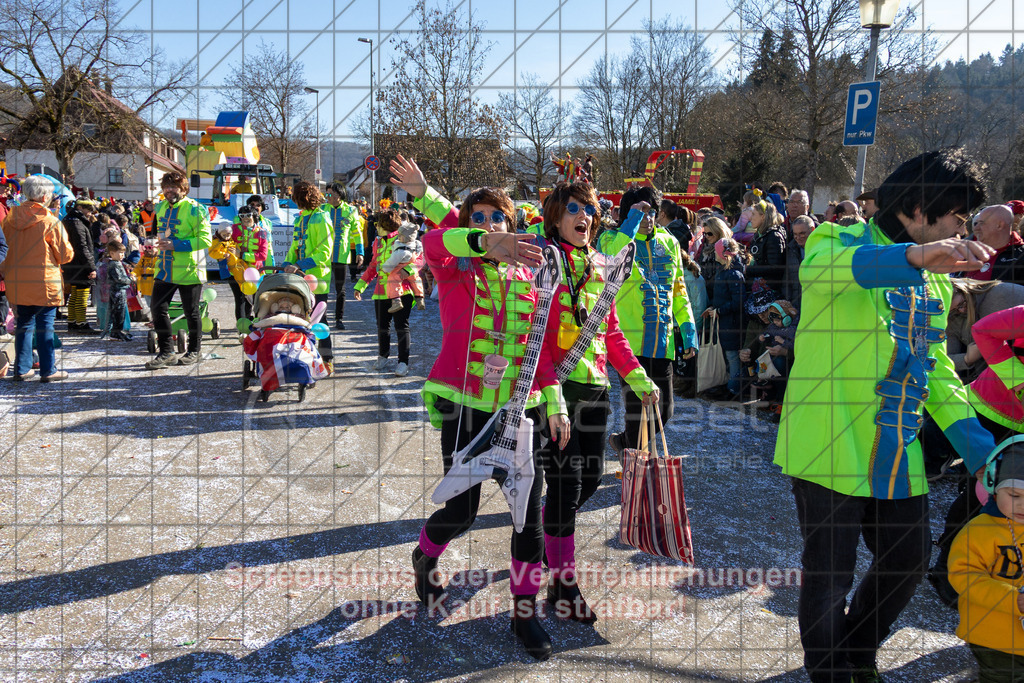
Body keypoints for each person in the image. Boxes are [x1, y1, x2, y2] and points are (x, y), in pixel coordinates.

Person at [774, 147, 998, 683]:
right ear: (920, 208)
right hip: (827, 441)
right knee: (831, 574)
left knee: (907, 560)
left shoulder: (938, 277)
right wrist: (917, 259)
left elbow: (936, 368)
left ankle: (856, 649)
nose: (962, 232)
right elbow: (829, 271)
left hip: (897, 446)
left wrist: (984, 452)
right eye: (958, 219)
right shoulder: (837, 239)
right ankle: (829, 672)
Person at [390, 153, 566, 661]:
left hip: (520, 410)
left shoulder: (530, 280)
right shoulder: (456, 269)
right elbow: (433, 240)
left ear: (516, 225)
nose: (491, 225)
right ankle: (425, 555)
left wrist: (553, 403)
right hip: (464, 408)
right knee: (463, 509)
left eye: (500, 218)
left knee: (527, 515)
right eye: (481, 218)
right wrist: (431, 198)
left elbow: (545, 350)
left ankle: (524, 612)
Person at [537, 182, 658, 623]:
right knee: (566, 488)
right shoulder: (543, 263)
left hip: (595, 390)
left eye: (588, 208)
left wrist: (639, 379)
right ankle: (563, 585)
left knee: (588, 481)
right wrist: (552, 398)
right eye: (572, 208)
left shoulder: (601, 266)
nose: (583, 215)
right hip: (556, 394)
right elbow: (535, 342)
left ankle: (550, 543)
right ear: (554, 217)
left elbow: (611, 332)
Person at [598, 186, 697, 452]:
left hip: (662, 342)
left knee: (665, 411)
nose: (648, 218)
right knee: (636, 411)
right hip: (628, 345)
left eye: (651, 212)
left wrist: (687, 330)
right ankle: (633, 465)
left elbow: (679, 289)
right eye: (641, 212)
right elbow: (611, 262)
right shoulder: (611, 239)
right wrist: (630, 223)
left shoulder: (669, 242)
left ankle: (624, 445)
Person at [948, 440, 1024, 681]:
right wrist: (1014, 600)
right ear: (993, 485)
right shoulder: (979, 531)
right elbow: (964, 578)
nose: (1023, 505)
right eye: (1014, 495)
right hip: (994, 636)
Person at [1, 175, 74, 381]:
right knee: (45, 326)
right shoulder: (50, 222)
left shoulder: (9, 219)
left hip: (17, 281)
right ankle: (48, 370)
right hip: (44, 281)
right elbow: (65, 255)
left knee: (23, 325)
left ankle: (22, 368)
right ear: (44, 197)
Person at [145, 171, 213, 370]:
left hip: (190, 269)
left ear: (183, 189)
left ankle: (195, 350)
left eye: (173, 187)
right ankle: (166, 352)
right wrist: (154, 244)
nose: (168, 191)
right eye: (166, 187)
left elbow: (205, 239)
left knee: (191, 312)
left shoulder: (196, 209)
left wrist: (176, 245)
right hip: (165, 268)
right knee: (158, 309)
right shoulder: (161, 207)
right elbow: (162, 233)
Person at [355, 208, 416, 377]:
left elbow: (418, 258)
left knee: (401, 327)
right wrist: (360, 286)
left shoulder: (403, 238)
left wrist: (408, 270)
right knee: (383, 327)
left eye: (378, 224)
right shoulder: (377, 242)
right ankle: (383, 356)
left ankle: (403, 362)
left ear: (385, 225)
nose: (376, 227)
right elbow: (373, 266)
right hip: (381, 292)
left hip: (401, 292)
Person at [282, 180, 334, 375]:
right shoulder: (300, 219)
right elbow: (295, 247)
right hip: (298, 277)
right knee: (297, 317)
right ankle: (301, 355)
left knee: (320, 321)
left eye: (296, 199)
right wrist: (285, 265)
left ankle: (327, 359)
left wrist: (300, 265)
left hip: (317, 278)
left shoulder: (321, 218)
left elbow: (325, 252)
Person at [947, 278, 1024, 383]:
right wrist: (967, 358)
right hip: (1000, 378)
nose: (961, 310)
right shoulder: (952, 319)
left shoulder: (1000, 294)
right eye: (954, 310)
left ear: (963, 288)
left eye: (962, 304)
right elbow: (945, 361)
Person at [702, 237, 746, 398]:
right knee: (728, 356)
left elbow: (739, 301)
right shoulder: (723, 271)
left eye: (716, 251)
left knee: (732, 357)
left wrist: (719, 310)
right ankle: (727, 385)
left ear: (724, 254)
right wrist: (713, 306)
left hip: (732, 323)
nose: (714, 254)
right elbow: (722, 296)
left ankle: (733, 390)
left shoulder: (734, 274)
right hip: (724, 322)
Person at [324, 183, 364, 330]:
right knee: (322, 288)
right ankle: (322, 318)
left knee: (340, 290)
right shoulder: (322, 210)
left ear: (338, 196)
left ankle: (339, 319)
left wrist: (360, 252)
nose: (327, 197)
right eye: (326, 194)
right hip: (324, 256)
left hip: (342, 256)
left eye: (329, 194)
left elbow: (357, 234)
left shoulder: (351, 211)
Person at [61, 199, 99, 334]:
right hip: (79, 265)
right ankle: (81, 323)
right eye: (88, 209)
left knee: (75, 295)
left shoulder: (69, 220)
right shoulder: (76, 223)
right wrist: (91, 267)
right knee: (82, 295)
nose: (90, 212)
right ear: (79, 207)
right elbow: (82, 247)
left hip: (72, 263)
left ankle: (72, 322)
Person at [964, 204, 1024, 285]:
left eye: (981, 223)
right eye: (976, 223)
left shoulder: (1019, 257)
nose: (976, 228)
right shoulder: (967, 250)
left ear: (999, 225)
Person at [745, 196, 788, 295]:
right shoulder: (759, 234)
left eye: (753, 214)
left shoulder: (774, 236)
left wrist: (748, 270)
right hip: (756, 287)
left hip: (768, 290)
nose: (751, 218)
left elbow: (775, 268)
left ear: (763, 216)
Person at [101, 239, 133, 342]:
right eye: (120, 253)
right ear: (112, 253)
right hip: (117, 292)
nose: (122, 255)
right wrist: (130, 280)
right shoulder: (114, 264)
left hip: (120, 291)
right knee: (118, 312)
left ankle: (119, 331)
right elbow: (119, 278)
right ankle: (115, 332)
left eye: (123, 253)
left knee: (121, 312)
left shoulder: (118, 263)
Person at [784, 215, 815, 310]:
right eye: (795, 234)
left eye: (802, 234)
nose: (798, 237)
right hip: (796, 305)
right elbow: (787, 280)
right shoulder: (790, 250)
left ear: (812, 230)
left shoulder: (822, 251)